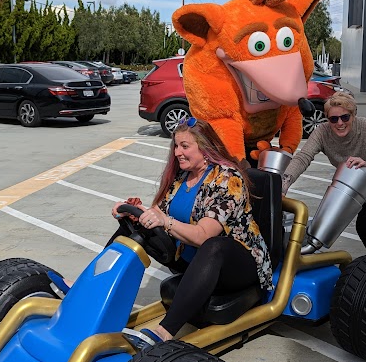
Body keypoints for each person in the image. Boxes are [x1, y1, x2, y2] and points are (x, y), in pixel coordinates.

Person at [111, 117, 273, 349]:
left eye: (185, 146)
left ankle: (164, 332)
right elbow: (159, 212)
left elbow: (203, 235)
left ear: (205, 148)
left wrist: (164, 221)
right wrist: (137, 212)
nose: (177, 152)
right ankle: (89, 290)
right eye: (176, 146)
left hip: (238, 266)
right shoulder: (181, 177)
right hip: (195, 261)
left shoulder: (227, 179)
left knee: (214, 244)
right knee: (133, 229)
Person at [281, 91, 366, 257]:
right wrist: (284, 184)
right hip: (350, 182)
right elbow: (303, 158)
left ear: (354, 114)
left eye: (345, 117)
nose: (340, 123)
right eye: (333, 119)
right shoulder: (322, 132)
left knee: (364, 225)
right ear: (327, 119)